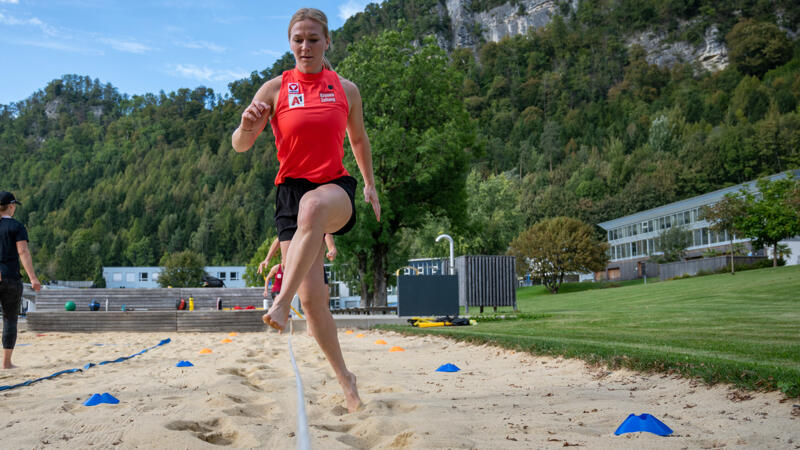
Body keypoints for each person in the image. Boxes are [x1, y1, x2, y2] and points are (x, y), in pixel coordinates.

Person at [232, 8, 380, 413]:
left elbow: (360, 140)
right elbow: (239, 144)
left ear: (327, 42)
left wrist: (368, 183)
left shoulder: (345, 89)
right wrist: (247, 125)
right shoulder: (275, 89)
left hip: (334, 189)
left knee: (314, 205)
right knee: (314, 303)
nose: (305, 46)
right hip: (288, 195)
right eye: (298, 39)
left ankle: (280, 304)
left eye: (313, 39)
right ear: (290, 43)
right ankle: (346, 379)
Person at [0, 192, 41, 369]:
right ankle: (6, 362)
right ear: (11, 206)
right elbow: (23, 252)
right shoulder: (16, 227)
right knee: (10, 319)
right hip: (10, 278)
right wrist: (33, 278)